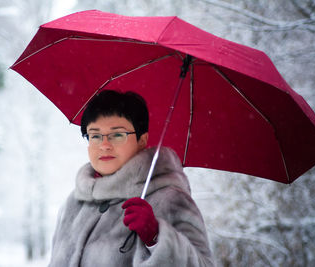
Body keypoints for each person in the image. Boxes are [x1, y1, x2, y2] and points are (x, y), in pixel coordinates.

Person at [48, 90, 215, 266]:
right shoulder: (75, 202)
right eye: (95, 135)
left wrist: (156, 238)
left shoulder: (169, 199)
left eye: (117, 135)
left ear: (142, 140)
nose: (104, 145)